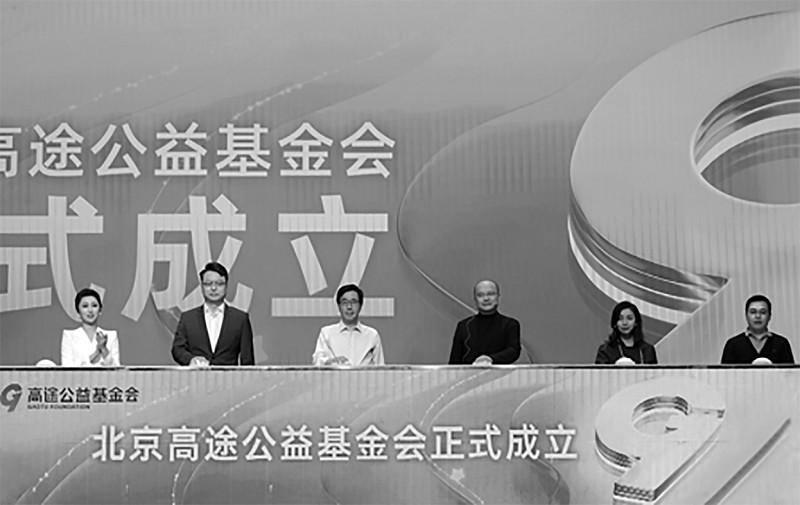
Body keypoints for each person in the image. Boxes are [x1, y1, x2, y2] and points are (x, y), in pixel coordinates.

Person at [172, 262, 254, 366]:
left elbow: (247, 360)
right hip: (197, 375)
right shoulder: (188, 318)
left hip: (229, 376)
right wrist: (191, 360)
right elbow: (177, 349)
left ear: (226, 286)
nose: (214, 288)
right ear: (201, 286)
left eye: (219, 284)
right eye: (208, 284)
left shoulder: (240, 319)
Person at [448, 279, 521, 365]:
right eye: (480, 295)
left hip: (500, 372)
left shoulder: (510, 324)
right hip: (470, 373)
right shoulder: (463, 326)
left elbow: (513, 351)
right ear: (475, 299)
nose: (486, 298)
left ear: (498, 296)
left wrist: (490, 359)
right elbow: (454, 361)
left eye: (491, 294)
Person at [312, 284, 385, 366]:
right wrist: (331, 362)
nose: (349, 307)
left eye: (353, 302)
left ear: (361, 305)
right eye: (344, 302)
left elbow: (381, 368)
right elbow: (317, 362)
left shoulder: (372, 335)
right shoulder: (326, 333)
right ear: (339, 306)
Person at [721, 294, 794, 365]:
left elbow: (791, 372)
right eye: (753, 312)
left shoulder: (781, 343)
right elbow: (725, 372)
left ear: (769, 316)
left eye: (763, 312)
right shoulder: (733, 344)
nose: (758, 316)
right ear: (746, 315)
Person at [61, 288, 120, 366]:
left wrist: (103, 349)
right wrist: (96, 353)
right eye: (85, 306)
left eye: (94, 305)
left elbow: (116, 369)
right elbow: (67, 368)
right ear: (78, 312)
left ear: (100, 310)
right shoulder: (69, 336)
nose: (90, 310)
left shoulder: (111, 335)